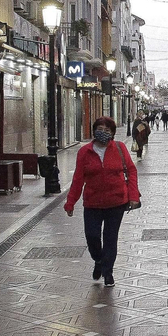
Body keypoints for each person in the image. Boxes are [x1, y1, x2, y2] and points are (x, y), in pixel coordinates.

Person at [64, 117, 140, 287]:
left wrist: (133, 196)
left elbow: (131, 171)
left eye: (107, 130)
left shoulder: (119, 148)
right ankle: (98, 259)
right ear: (94, 131)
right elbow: (78, 178)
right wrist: (70, 202)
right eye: (100, 129)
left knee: (110, 239)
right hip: (92, 203)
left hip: (116, 202)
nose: (103, 133)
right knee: (92, 237)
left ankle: (108, 272)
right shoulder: (85, 152)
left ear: (112, 133)